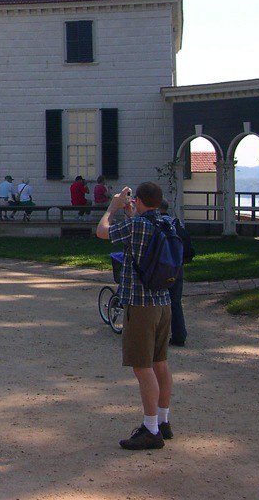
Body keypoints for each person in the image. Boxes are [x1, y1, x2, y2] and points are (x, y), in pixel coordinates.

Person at [97, 181, 174, 450]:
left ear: (139, 199)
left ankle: (150, 429)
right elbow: (144, 235)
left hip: (140, 305)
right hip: (163, 301)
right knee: (160, 363)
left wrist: (113, 206)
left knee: (143, 367)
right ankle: (163, 421)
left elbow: (102, 232)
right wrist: (132, 212)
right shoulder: (167, 222)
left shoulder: (136, 225)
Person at [159, 200, 195, 347]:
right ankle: (179, 335)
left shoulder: (155, 223)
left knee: (155, 301)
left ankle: (156, 335)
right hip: (177, 265)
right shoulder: (176, 222)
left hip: (160, 267)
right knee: (175, 301)